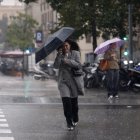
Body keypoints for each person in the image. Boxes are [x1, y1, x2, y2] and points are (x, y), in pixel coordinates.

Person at [54, 39, 84, 131]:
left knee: (74, 104)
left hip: (74, 81)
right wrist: (59, 56)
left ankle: (75, 117)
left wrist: (67, 61)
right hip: (63, 82)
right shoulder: (60, 54)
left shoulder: (75, 53)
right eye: (63, 46)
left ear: (70, 46)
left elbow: (78, 65)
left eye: (66, 45)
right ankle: (69, 122)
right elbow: (55, 66)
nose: (65, 47)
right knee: (66, 102)